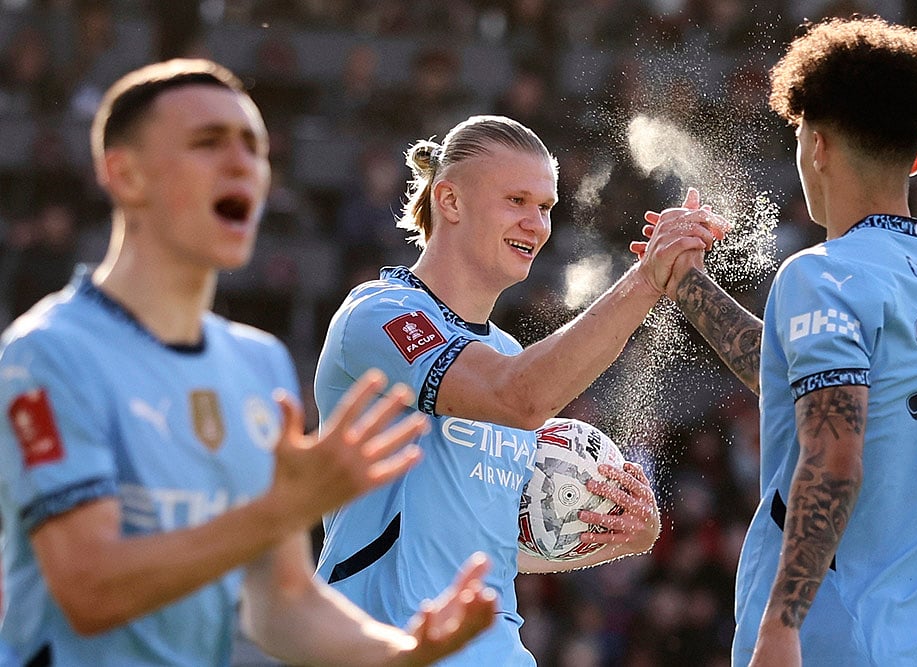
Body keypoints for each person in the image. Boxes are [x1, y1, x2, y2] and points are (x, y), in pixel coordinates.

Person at [0, 58, 498, 666]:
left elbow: (282, 602)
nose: (242, 164)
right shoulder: (48, 353)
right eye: (208, 143)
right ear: (124, 175)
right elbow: (88, 589)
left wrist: (408, 652)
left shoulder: (257, 363)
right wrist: (282, 509)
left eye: (254, 148)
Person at [639, 16, 917, 666]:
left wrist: (780, 622)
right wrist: (688, 287)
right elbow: (812, 382)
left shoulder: (823, 273)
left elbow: (834, 456)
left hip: (839, 641)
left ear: (819, 147)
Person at [313, 114, 726, 664]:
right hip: (383, 650)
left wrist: (611, 538)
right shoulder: (381, 316)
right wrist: (646, 279)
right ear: (450, 201)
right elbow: (520, 398)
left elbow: (492, 545)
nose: (536, 223)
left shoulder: (508, 353)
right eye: (516, 200)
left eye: (546, 207)